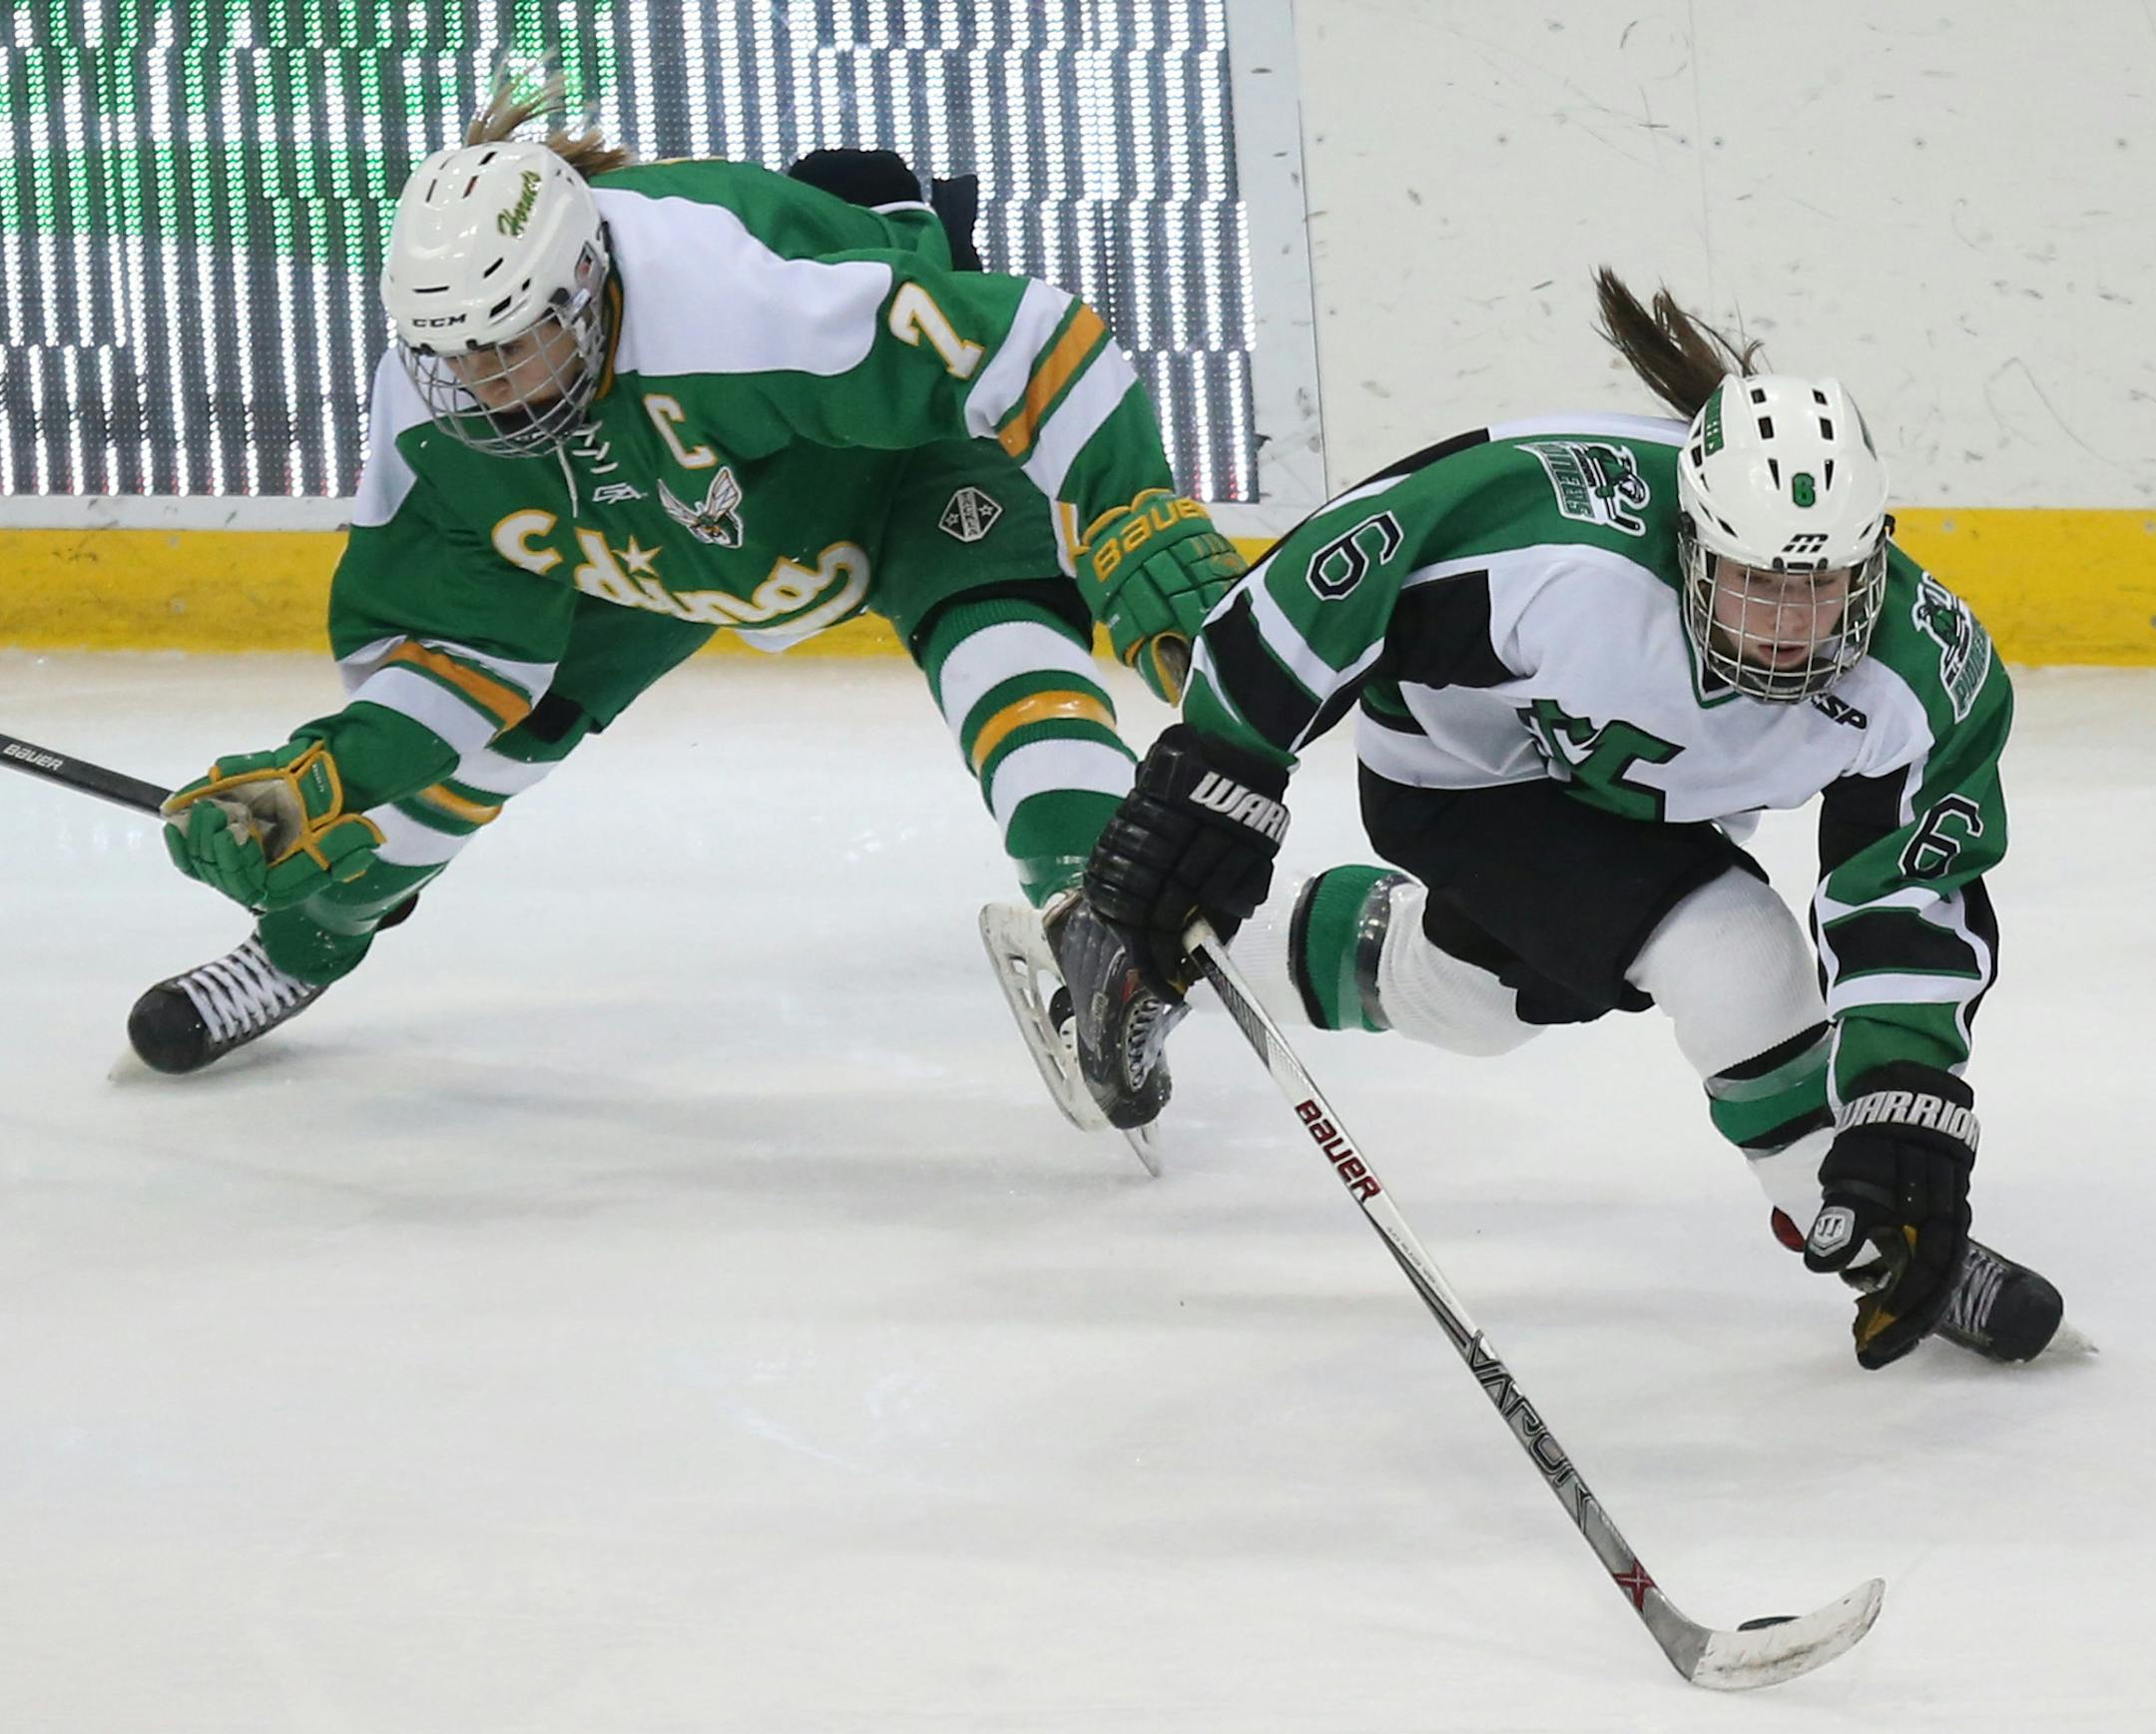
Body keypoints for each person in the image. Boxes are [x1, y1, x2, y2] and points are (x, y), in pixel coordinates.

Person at [128, 72, 1242, 1126]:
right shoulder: (445, 405)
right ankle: (310, 935)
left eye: (512, 344)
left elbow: (1034, 339)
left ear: (587, 288)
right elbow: (460, 653)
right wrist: (330, 777)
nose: (483, 386)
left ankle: (1108, 929)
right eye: (455, 355)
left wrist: (1124, 510)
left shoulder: (724, 296)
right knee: (500, 733)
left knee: (1003, 650)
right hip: (671, 518)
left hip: (890, 462)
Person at [1064, 269, 2067, 1368]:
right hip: (1466, 768)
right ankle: (1875, 1240)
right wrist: (1220, 759)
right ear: (1690, 542)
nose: (1787, 628)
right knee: (1734, 952)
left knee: (1477, 1000)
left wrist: (1903, 1089)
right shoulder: (1561, 542)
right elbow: (1337, 561)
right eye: (1751, 583)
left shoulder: (1926, 679)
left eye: (1821, 586)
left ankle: (1144, 955)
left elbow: (1906, 892)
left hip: (1629, 803)